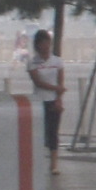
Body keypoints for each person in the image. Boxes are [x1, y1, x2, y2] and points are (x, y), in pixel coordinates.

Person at [27, 29, 65, 175]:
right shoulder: (32, 62)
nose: (46, 46)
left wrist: (59, 98)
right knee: (39, 132)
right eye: (43, 43)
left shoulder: (57, 61)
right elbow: (38, 82)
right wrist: (56, 88)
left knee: (53, 132)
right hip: (38, 101)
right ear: (37, 45)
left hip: (53, 100)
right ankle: (37, 161)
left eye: (48, 42)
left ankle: (53, 164)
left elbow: (60, 80)